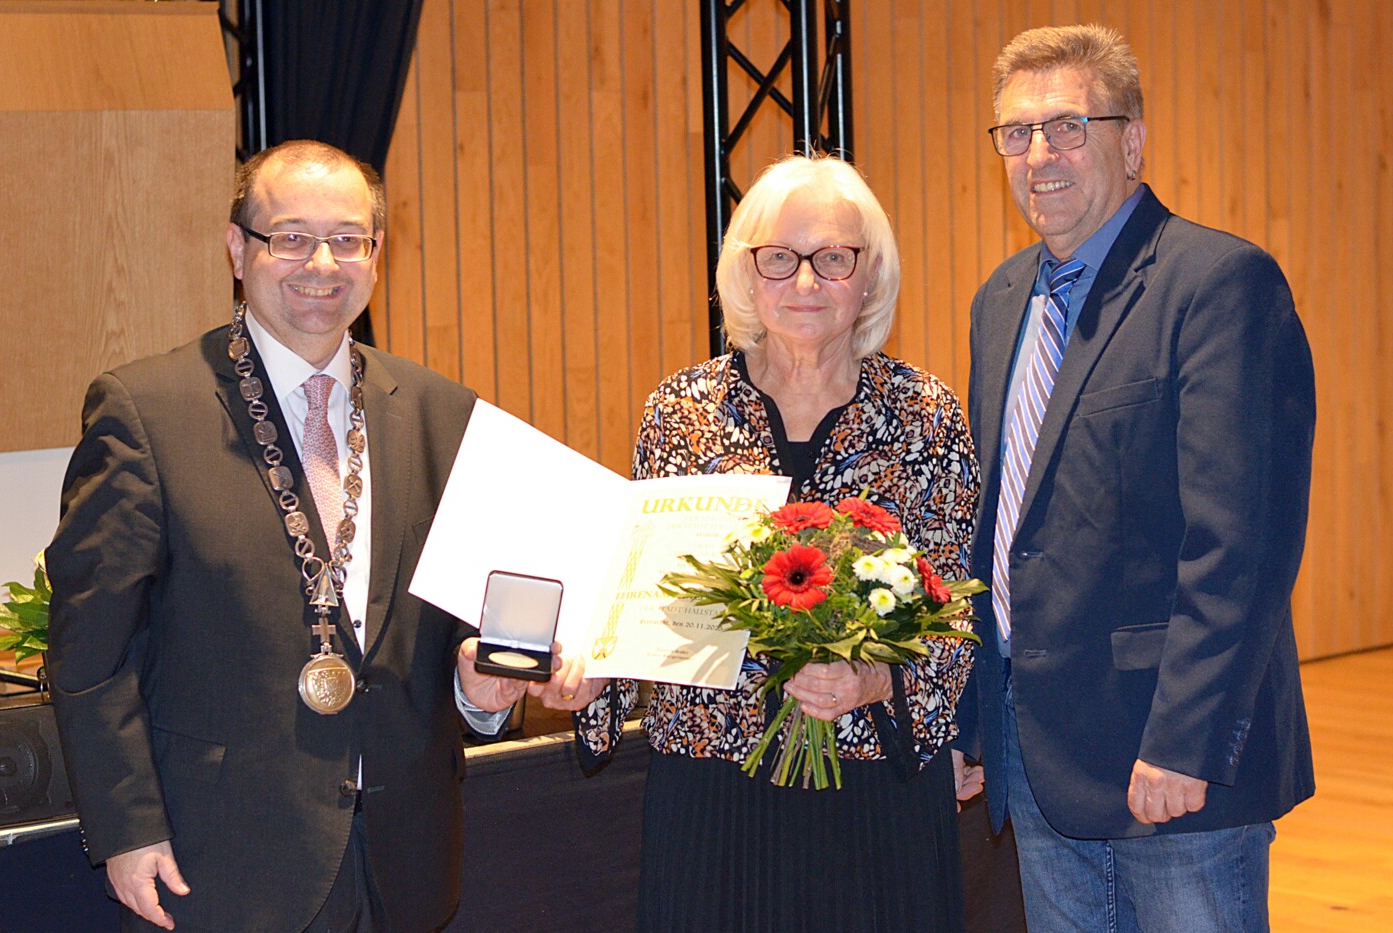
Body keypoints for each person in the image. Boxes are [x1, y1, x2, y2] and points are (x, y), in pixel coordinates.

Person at [46, 140, 551, 932]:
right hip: (217, 863)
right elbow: (91, 650)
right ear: (237, 248)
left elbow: (453, 631)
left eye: (348, 238)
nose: (321, 263)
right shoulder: (148, 412)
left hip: (402, 860)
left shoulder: (442, 414)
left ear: (376, 255)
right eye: (290, 237)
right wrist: (126, 827)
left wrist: (476, 692)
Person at [547, 154, 980, 931]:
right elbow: (639, 597)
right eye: (779, 257)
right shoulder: (681, 411)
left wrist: (872, 681)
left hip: (875, 796)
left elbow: (957, 610)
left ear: (870, 274)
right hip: (713, 794)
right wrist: (593, 677)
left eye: (833, 257)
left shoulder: (926, 415)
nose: (805, 281)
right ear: (745, 274)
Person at [956, 24, 1316, 931]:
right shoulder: (1001, 302)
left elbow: (1241, 544)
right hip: (1039, 758)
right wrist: (976, 721)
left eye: (1069, 126)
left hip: (1169, 765)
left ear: (1133, 141)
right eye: (1017, 132)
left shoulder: (1218, 285)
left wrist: (1186, 740)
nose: (1040, 154)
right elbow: (998, 530)